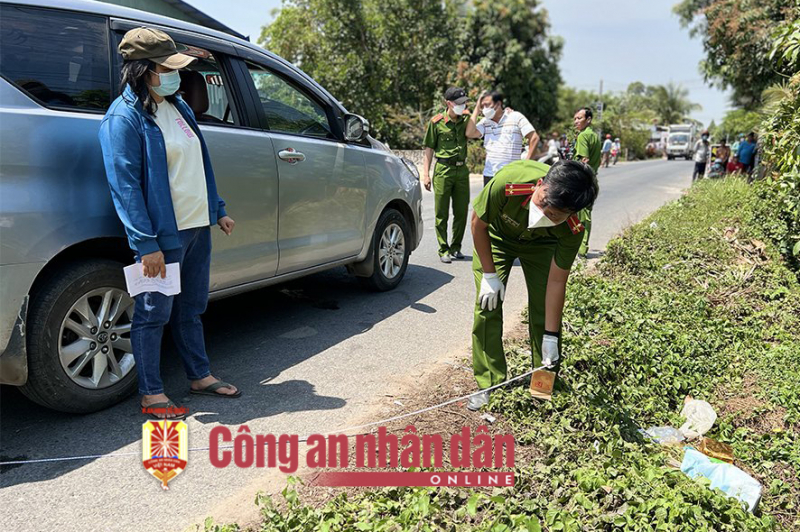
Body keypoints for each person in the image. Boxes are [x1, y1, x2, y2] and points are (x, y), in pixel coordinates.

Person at [99, 27, 240, 419]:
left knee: (191, 307)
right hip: (163, 235)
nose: (175, 74)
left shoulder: (177, 107)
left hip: (197, 226)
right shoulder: (123, 119)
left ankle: (199, 375)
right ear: (144, 70)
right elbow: (124, 187)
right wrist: (147, 244)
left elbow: (199, 164)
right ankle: (152, 395)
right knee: (152, 313)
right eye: (167, 67)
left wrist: (218, 209)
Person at [467, 160, 599, 410]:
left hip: (542, 247)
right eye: (542, 204)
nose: (544, 214)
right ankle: (489, 384)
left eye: (554, 215)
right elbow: (477, 224)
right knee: (488, 306)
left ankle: (542, 385)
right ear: (540, 185)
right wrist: (489, 275)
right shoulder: (508, 184)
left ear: (570, 214)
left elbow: (557, 281)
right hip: (497, 238)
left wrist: (551, 336)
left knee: (543, 310)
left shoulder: (573, 228)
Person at [422, 87, 481, 263]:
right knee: (441, 213)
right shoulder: (436, 122)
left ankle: (456, 247)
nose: (463, 106)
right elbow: (429, 148)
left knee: (461, 212)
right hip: (443, 170)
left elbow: (475, 131)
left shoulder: (465, 121)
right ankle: (443, 249)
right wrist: (425, 174)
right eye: (459, 103)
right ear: (449, 103)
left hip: (462, 171)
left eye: (465, 103)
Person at [472, 91, 540, 186]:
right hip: (490, 174)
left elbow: (534, 138)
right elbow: (470, 133)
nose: (484, 109)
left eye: (487, 105)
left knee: (511, 201)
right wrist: (476, 108)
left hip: (511, 175)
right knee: (490, 201)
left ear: (498, 104)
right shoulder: (484, 122)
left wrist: (526, 165)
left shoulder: (515, 117)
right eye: (482, 106)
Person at [571, 107, 601, 256]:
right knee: (586, 215)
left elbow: (584, 160)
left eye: (579, 118)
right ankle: (583, 247)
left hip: (583, 180)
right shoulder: (594, 136)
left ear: (588, 120)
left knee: (580, 216)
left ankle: (580, 249)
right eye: (575, 118)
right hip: (592, 178)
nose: (576, 121)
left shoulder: (583, 136)